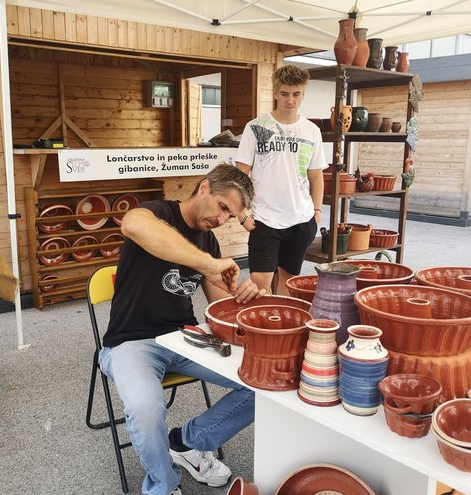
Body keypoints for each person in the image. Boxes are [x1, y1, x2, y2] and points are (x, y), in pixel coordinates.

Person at [99, 164, 266, 495]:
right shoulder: (158, 212)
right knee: (146, 409)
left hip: (185, 337)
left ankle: (188, 443)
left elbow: (219, 312)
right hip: (132, 340)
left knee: (264, 383)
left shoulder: (209, 241)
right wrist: (207, 263)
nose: (221, 220)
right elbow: (132, 224)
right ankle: (162, 485)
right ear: (204, 188)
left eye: (229, 217)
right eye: (222, 207)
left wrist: (244, 297)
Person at [235, 64, 327, 295]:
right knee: (259, 284)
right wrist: (241, 215)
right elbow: (239, 176)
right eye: (285, 94)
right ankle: (259, 328)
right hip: (264, 219)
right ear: (275, 93)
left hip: (300, 218)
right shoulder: (256, 127)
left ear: (303, 95)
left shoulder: (311, 130)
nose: (290, 100)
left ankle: (278, 329)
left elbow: (316, 175)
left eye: (296, 94)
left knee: (287, 282)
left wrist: (316, 213)